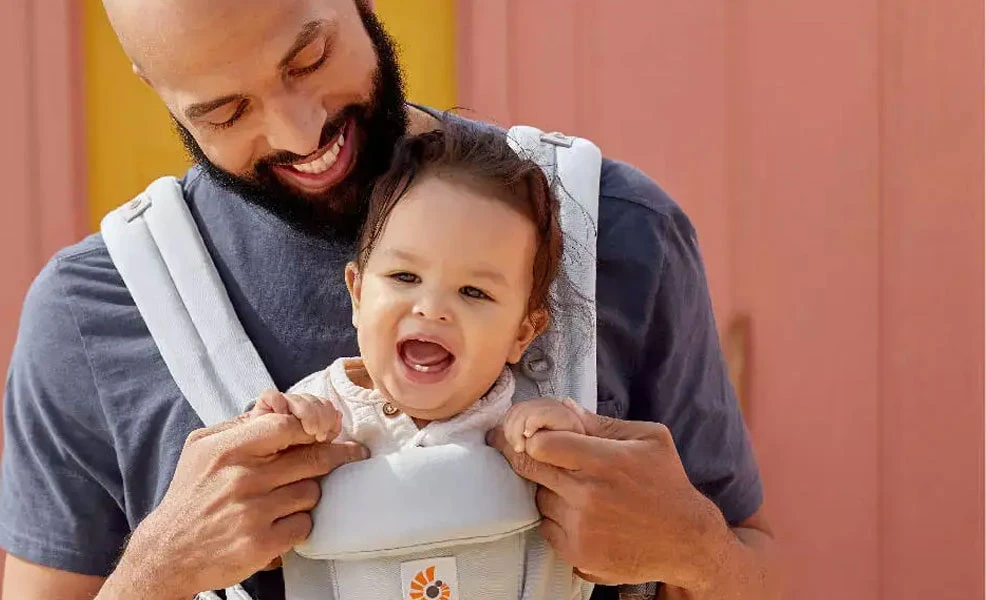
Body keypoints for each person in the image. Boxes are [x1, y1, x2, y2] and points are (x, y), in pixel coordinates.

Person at [0, 1, 778, 599]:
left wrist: (697, 551)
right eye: (224, 112)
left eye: (308, 58)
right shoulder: (90, 317)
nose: (300, 132)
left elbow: (755, 562)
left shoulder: (614, 229)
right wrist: (158, 571)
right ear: (158, 91)